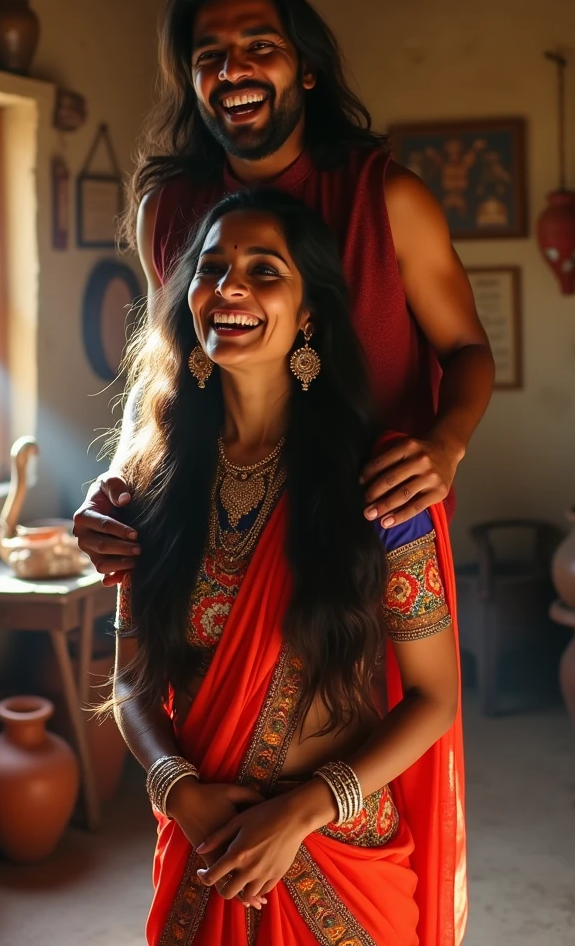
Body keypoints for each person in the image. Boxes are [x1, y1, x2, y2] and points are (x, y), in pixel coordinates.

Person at [108, 188, 466, 946]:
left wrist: (303, 811)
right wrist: (179, 793)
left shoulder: (380, 483)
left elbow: (434, 697)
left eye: (264, 270)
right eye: (211, 270)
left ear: (309, 316)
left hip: (338, 850)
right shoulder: (154, 485)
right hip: (207, 845)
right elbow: (132, 683)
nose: (229, 287)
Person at [73, 0, 494, 584]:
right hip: (216, 541)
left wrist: (445, 447)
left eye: (259, 47)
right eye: (207, 55)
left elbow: (466, 349)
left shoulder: (389, 200)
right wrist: (119, 473)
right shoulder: (165, 211)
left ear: (307, 67)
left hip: (369, 530)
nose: (231, 70)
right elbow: (168, 366)